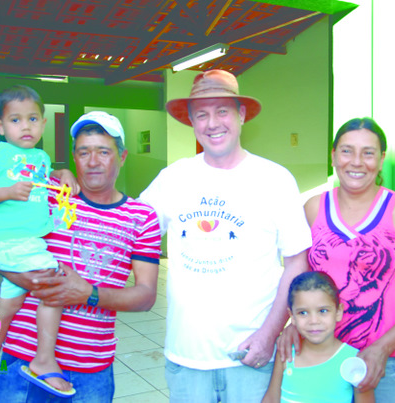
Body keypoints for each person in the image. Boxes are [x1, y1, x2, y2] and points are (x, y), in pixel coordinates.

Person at [139, 69, 312, 402]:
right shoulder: (173, 178)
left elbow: (296, 264)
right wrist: (70, 191)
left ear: (241, 114)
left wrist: (268, 335)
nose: (212, 123)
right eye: (202, 114)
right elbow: (128, 229)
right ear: (191, 121)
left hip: (251, 357)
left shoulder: (275, 179)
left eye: (222, 111)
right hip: (187, 358)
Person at [0, 111, 162, 402]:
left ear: (122, 156)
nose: (93, 161)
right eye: (84, 152)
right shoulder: (49, 195)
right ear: (74, 158)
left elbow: (146, 296)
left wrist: (88, 294)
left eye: (103, 152)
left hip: (91, 368)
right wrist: (30, 280)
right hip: (23, 358)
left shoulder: (141, 217)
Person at [278, 117, 395, 402]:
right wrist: (292, 324)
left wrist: (382, 348)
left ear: (381, 160)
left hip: (390, 363)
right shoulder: (314, 208)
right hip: (323, 357)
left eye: (368, 153)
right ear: (333, 156)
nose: (356, 161)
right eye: (347, 151)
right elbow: (301, 281)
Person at [0, 85, 79, 399]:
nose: (25, 126)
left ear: (43, 123)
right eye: (15, 120)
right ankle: (43, 360)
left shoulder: (41, 156)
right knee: (56, 286)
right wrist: (7, 192)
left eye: (32, 119)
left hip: (29, 243)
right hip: (12, 242)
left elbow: (45, 178)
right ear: (0, 126)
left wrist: (63, 172)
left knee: (8, 306)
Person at [262, 271, 374, 403]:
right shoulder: (287, 355)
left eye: (323, 311)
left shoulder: (354, 360)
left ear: (338, 312)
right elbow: (271, 399)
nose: (314, 321)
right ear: (292, 316)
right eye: (303, 313)